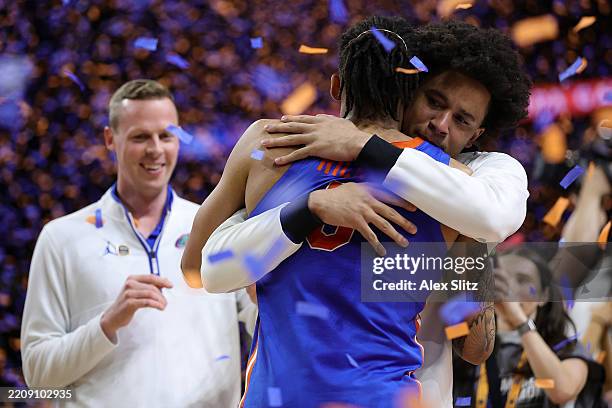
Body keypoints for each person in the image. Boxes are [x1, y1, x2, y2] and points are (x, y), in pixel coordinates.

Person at [186, 20, 531, 406]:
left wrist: (273, 236)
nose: (441, 124)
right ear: (409, 89)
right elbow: (475, 344)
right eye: (434, 102)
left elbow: (198, 267)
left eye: (462, 119)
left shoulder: (270, 141)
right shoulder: (461, 182)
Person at [20, 79, 256, 407]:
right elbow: (37, 373)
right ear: (109, 139)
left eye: (166, 136)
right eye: (140, 137)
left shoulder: (217, 227)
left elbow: (261, 318)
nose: (156, 150)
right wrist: (107, 323)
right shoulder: (62, 238)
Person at [453, 248, 605, 408]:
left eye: (522, 280)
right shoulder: (466, 337)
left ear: (543, 296)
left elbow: (561, 390)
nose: (509, 289)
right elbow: (441, 342)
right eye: (503, 279)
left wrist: (519, 320)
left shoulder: (566, 347)